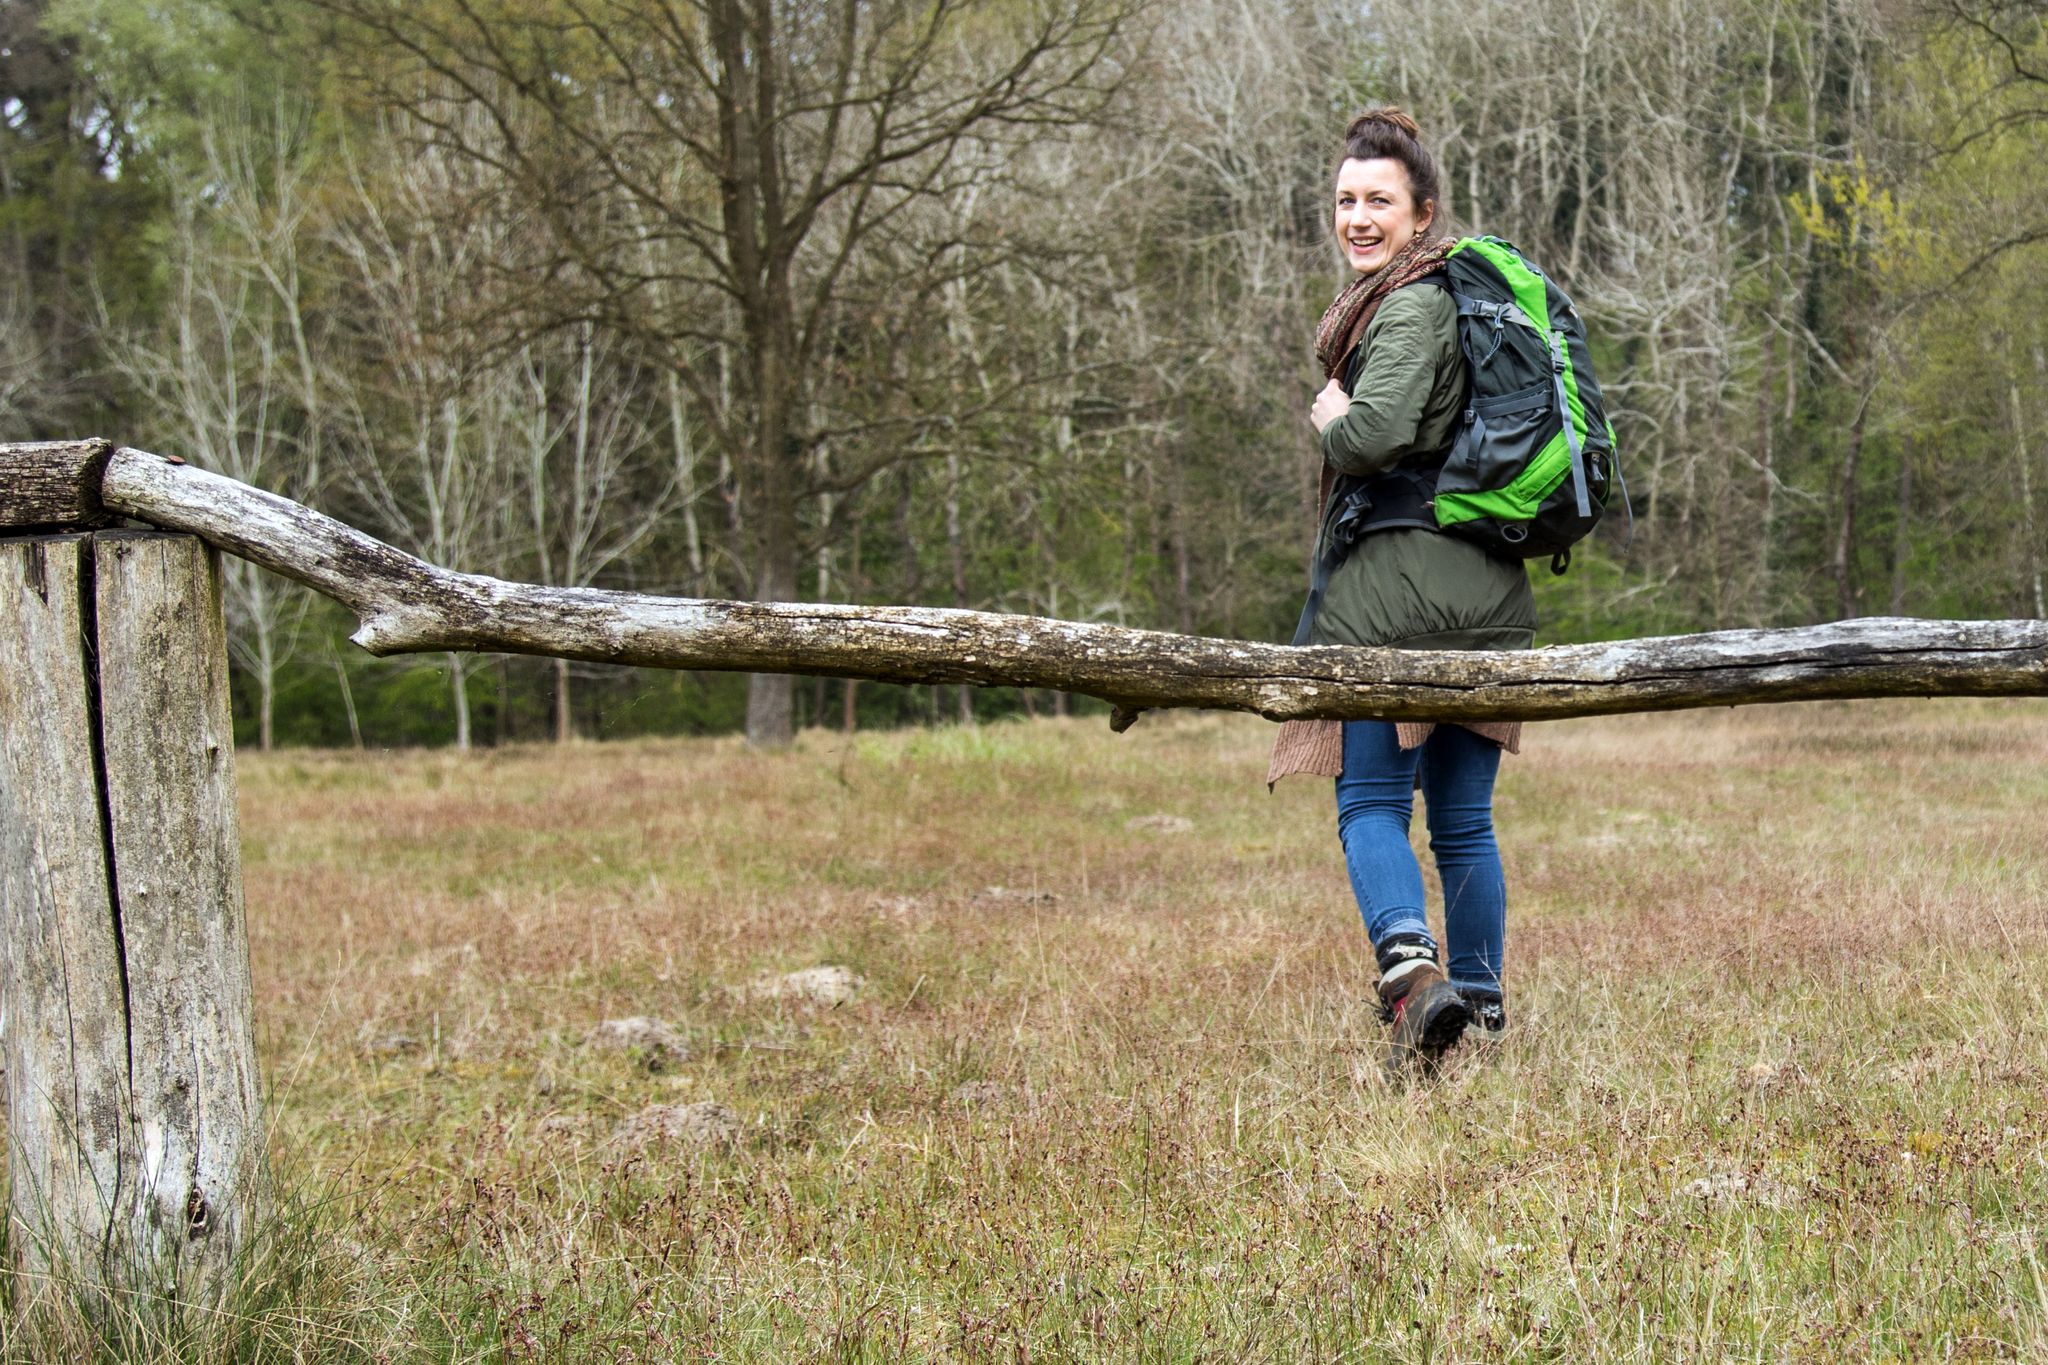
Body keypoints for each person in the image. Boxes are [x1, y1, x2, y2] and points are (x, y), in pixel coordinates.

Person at [1266, 108, 1536, 1080]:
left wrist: (1333, 416)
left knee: (1369, 802)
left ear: (1421, 214)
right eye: (1344, 201)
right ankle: (1480, 1021)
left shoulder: (1410, 303)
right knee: (1463, 817)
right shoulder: (1457, 306)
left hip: (1398, 595)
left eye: (1378, 200)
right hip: (1488, 597)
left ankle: (1412, 980)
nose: (1357, 218)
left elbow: (1375, 436)